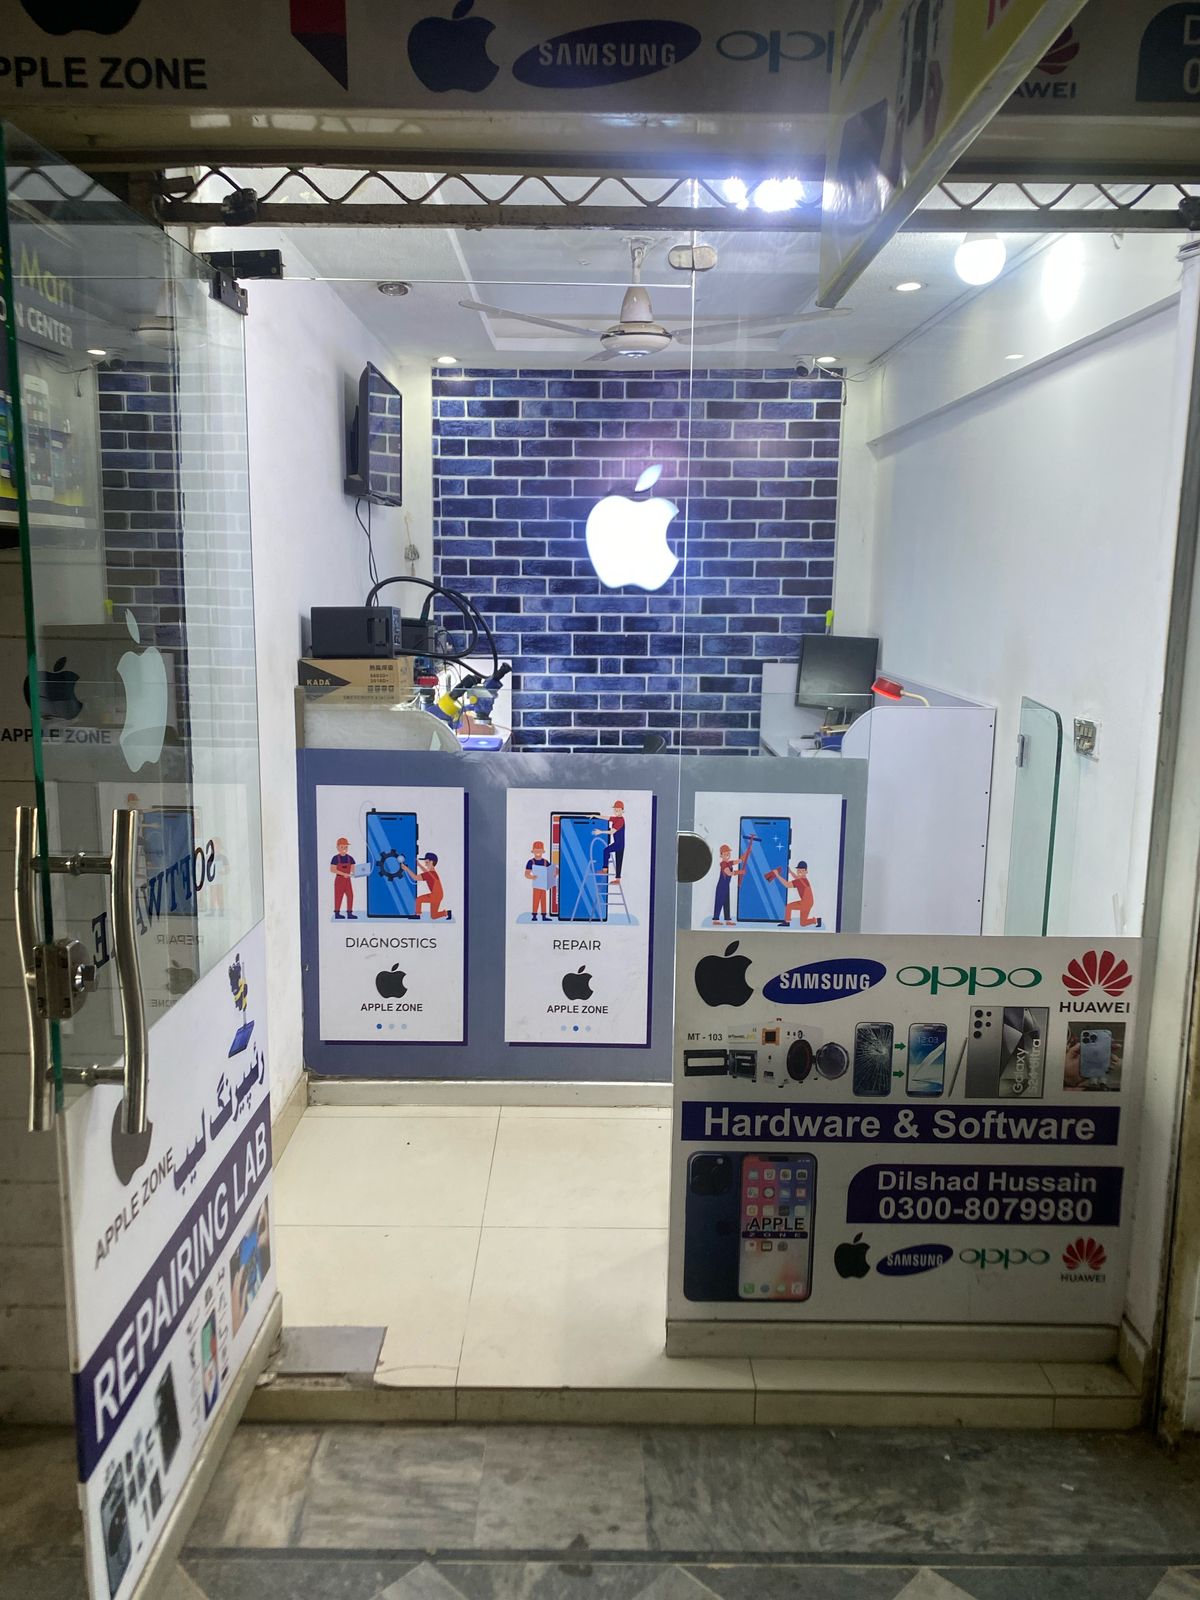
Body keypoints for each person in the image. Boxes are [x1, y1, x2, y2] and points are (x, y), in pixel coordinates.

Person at [765, 859, 822, 928]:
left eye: (802, 870)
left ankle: (787, 922)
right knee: (803, 923)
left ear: (806, 871)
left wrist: (777, 875)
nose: (799, 872)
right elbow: (797, 878)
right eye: (798, 870)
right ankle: (816, 920)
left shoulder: (800, 881)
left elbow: (787, 885)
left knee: (788, 906)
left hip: (804, 903)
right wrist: (791, 872)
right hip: (809, 903)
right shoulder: (804, 879)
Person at [712, 840, 753, 927]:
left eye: (728, 854)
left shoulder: (729, 863)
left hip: (726, 886)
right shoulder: (723, 864)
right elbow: (729, 873)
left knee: (726, 902)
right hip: (721, 886)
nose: (727, 856)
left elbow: (740, 860)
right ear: (721, 855)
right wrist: (740, 872)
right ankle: (715, 919)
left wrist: (747, 852)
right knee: (719, 902)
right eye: (725, 854)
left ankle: (727, 920)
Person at [402, 851, 451, 920]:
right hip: (439, 895)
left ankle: (417, 915)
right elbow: (426, 872)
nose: (425, 863)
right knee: (433, 916)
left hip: (435, 895)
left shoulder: (430, 874)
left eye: (427, 862)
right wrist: (419, 865)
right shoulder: (432, 872)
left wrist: (406, 869)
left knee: (419, 899)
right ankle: (447, 913)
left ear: (431, 862)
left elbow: (415, 878)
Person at [329, 836, 357, 919]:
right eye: (342, 847)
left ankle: (349, 913)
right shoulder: (335, 858)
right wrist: (343, 874)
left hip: (348, 880)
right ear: (337, 847)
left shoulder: (350, 858)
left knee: (350, 895)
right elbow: (332, 869)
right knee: (338, 896)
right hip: (339, 880)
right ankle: (337, 914)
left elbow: (353, 869)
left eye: (346, 847)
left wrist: (358, 872)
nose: (344, 849)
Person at [598, 799, 626, 880]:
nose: (616, 811)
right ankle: (617, 879)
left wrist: (601, 832)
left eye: (618, 810)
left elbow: (612, 832)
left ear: (622, 811)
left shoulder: (620, 821)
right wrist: (595, 816)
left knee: (606, 851)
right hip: (619, 843)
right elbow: (606, 817)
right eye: (615, 810)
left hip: (619, 844)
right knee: (618, 860)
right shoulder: (615, 819)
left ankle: (605, 869)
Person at [525, 840, 552, 921]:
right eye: (536, 850)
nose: (538, 852)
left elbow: (551, 871)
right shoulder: (530, 862)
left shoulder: (545, 862)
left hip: (544, 885)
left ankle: (544, 916)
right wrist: (532, 877)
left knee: (543, 900)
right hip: (536, 885)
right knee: (535, 900)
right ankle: (534, 916)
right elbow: (526, 874)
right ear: (533, 851)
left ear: (543, 851)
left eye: (539, 850)